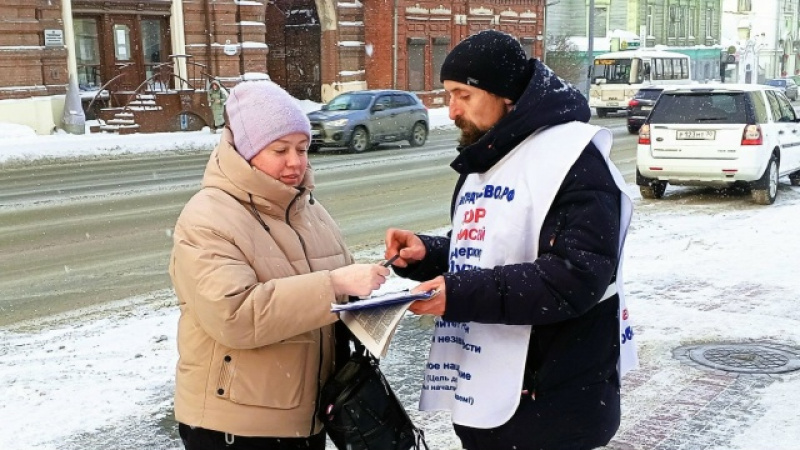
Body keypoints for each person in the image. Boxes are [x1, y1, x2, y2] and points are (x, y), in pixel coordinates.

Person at [384, 30, 637, 450]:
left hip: (552, 401)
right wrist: (431, 253)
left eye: (463, 95)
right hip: (493, 390)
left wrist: (459, 292)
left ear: (504, 94)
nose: (451, 111)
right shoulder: (493, 153)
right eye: (448, 95)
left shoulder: (572, 158)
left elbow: (574, 277)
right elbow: (491, 245)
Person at [170, 80, 389, 450]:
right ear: (245, 150)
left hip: (306, 418)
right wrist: (334, 284)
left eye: (303, 149)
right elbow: (235, 315)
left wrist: (377, 303)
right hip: (236, 427)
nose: (295, 162)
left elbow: (332, 298)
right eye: (280, 150)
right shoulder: (208, 217)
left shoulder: (308, 210)